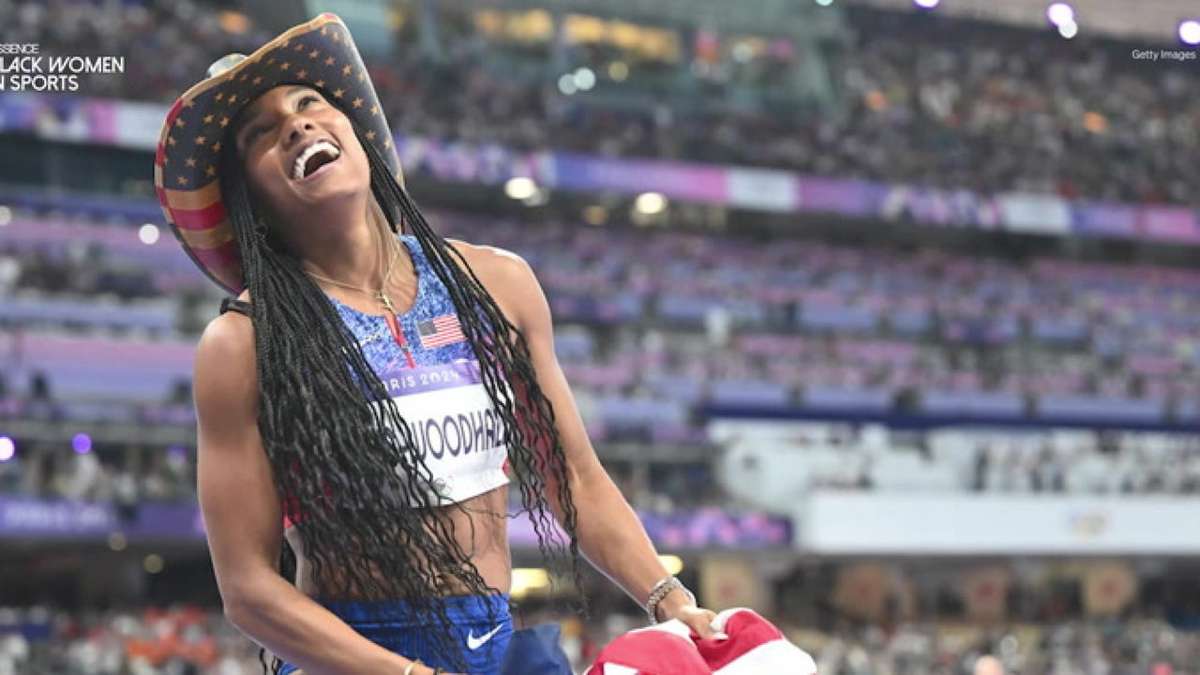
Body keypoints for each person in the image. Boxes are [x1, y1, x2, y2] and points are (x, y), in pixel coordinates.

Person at [155, 13, 717, 675]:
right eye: (260, 132)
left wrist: (669, 598)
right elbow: (248, 587)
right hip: (356, 656)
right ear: (250, 195)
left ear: (356, 132)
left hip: (493, 642)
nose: (296, 125)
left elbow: (572, 477)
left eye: (308, 103)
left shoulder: (496, 283)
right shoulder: (243, 343)